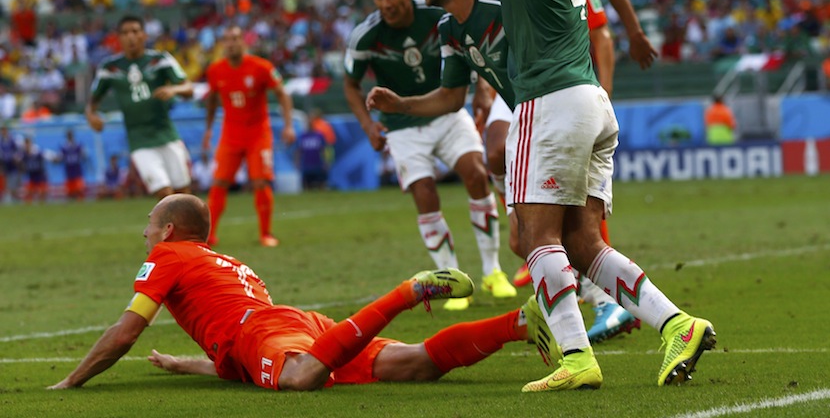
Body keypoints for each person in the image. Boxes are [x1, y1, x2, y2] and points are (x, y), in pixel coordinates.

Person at [463, 0, 715, 391]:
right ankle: (678, 323)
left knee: (534, 238)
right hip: (592, 100)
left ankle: (576, 358)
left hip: (551, 98)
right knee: (583, 243)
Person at [367, 0, 640, 346]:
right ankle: (621, 312)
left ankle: (603, 315)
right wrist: (400, 102)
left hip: (555, 112)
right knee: (528, 238)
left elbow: (575, 27)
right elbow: (449, 97)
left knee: (565, 235)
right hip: (530, 118)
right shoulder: (448, 26)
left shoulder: (505, 4)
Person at [48, 193, 556, 391]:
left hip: (267, 331)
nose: (145, 233)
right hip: (296, 325)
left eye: (149, 225)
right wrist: (189, 364)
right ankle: (517, 322)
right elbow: (242, 357)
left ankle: (405, 293)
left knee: (301, 378)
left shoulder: (168, 256)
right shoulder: (226, 263)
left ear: (167, 231)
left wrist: (71, 381)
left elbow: (124, 332)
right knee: (416, 365)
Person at [344, 0, 516, 311]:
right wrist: (368, 125)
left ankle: (492, 270)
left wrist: (482, 87)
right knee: (424, 193)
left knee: (476, 174)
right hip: (402, 126)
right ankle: (449, 279)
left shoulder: (436, 13)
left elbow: (472, 44)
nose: (386, 3)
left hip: (447, 112)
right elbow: (350, 83)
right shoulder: (366, 35)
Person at [202, 25, 296, 247]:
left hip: (257, 133)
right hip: (230, 133)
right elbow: (212, 100)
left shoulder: (261, 67)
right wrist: (208, 130)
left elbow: (282, 94)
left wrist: (289, 125)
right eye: (227, 39)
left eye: (235, 38)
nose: (231, 43)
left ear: (244, 42)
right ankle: (209, 236)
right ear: (222, 44)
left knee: (260, 182)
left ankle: (266, 234)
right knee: (219, 182)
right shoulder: (215, 70)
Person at [87, 15, 194, 199]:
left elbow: (189, 88)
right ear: (118, 38)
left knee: (183, 193)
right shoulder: (110, 68)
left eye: (135, 31)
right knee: (164, 194)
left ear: (144, 35)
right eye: (125, 33)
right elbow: (92, 102)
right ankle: (172, 227)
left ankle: (190, 229)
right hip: (138, 140)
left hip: (166, 134)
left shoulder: (160, 59)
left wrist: (173, 89)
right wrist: (91, 116)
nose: (131, 37)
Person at [296, 112, 331, 190]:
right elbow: (298, 151)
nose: (310, 123)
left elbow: (324, 149)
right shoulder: (302, 136)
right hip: (306, 165)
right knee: (307, 185)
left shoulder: (319, 135)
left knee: (321, 184)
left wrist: (326, 162)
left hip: (318, 164)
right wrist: (297, 162)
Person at [55, 129, 86, 199]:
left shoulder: (78, 145)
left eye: (70, 135)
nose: (70, 137)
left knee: (79, 192)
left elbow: (84, 155)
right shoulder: (64, 147)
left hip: (77, 170)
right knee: (70, 193)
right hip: (69, 171)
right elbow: (59, 158)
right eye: (69, 135)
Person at [19, 136, 48, 202]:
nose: (27, 145)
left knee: (42, 192)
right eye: (26, 143)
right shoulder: (23, 153)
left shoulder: (37, 151)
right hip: (31, 175)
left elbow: (46, 155)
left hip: (40, 174)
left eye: (28, 143)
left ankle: (43, 205)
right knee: (29, 194)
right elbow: (18, 159)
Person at [0, 125, 22, 203]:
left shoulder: (12, 140)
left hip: (13, 163)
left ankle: (14, 196)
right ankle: (9, 196)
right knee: (6, 180)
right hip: (5, 163)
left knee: (14, 179)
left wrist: (16, 157)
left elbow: (18, 151)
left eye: (4, 130)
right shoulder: (2, 141)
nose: (3, 132)